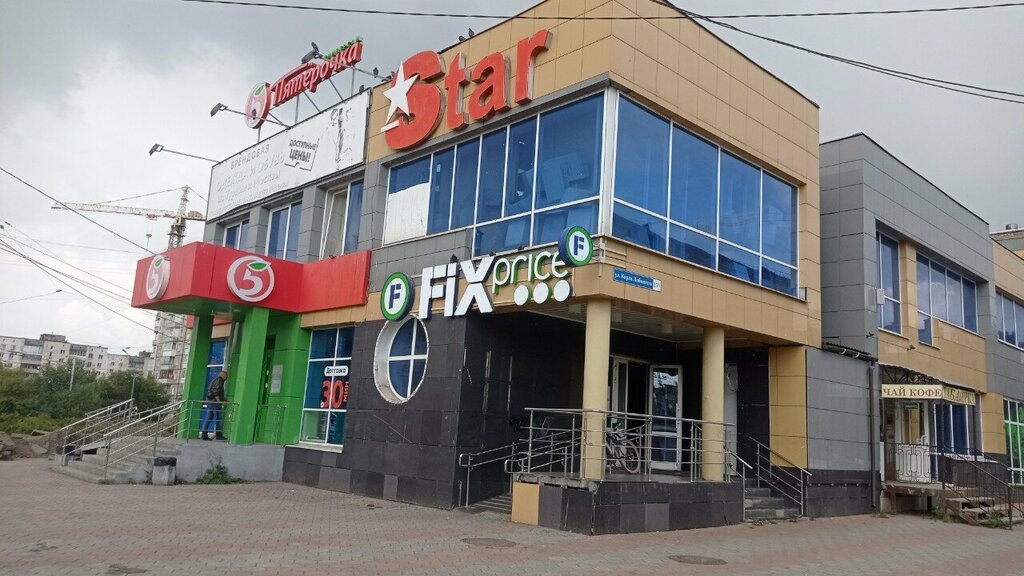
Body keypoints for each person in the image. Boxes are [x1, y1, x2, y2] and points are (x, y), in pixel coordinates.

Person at [201, 370, 228, 440]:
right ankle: (219, 435)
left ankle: (204, 435)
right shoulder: (219, 380)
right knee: (218, 418)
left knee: (208, 419)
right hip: (214, 403)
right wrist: (219, 402)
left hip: (210, 402)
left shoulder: (215, 380)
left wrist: (224, 400)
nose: (226, 378)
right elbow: (216, 392)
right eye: (226, 376)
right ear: (223, 375)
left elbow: (216, 392)